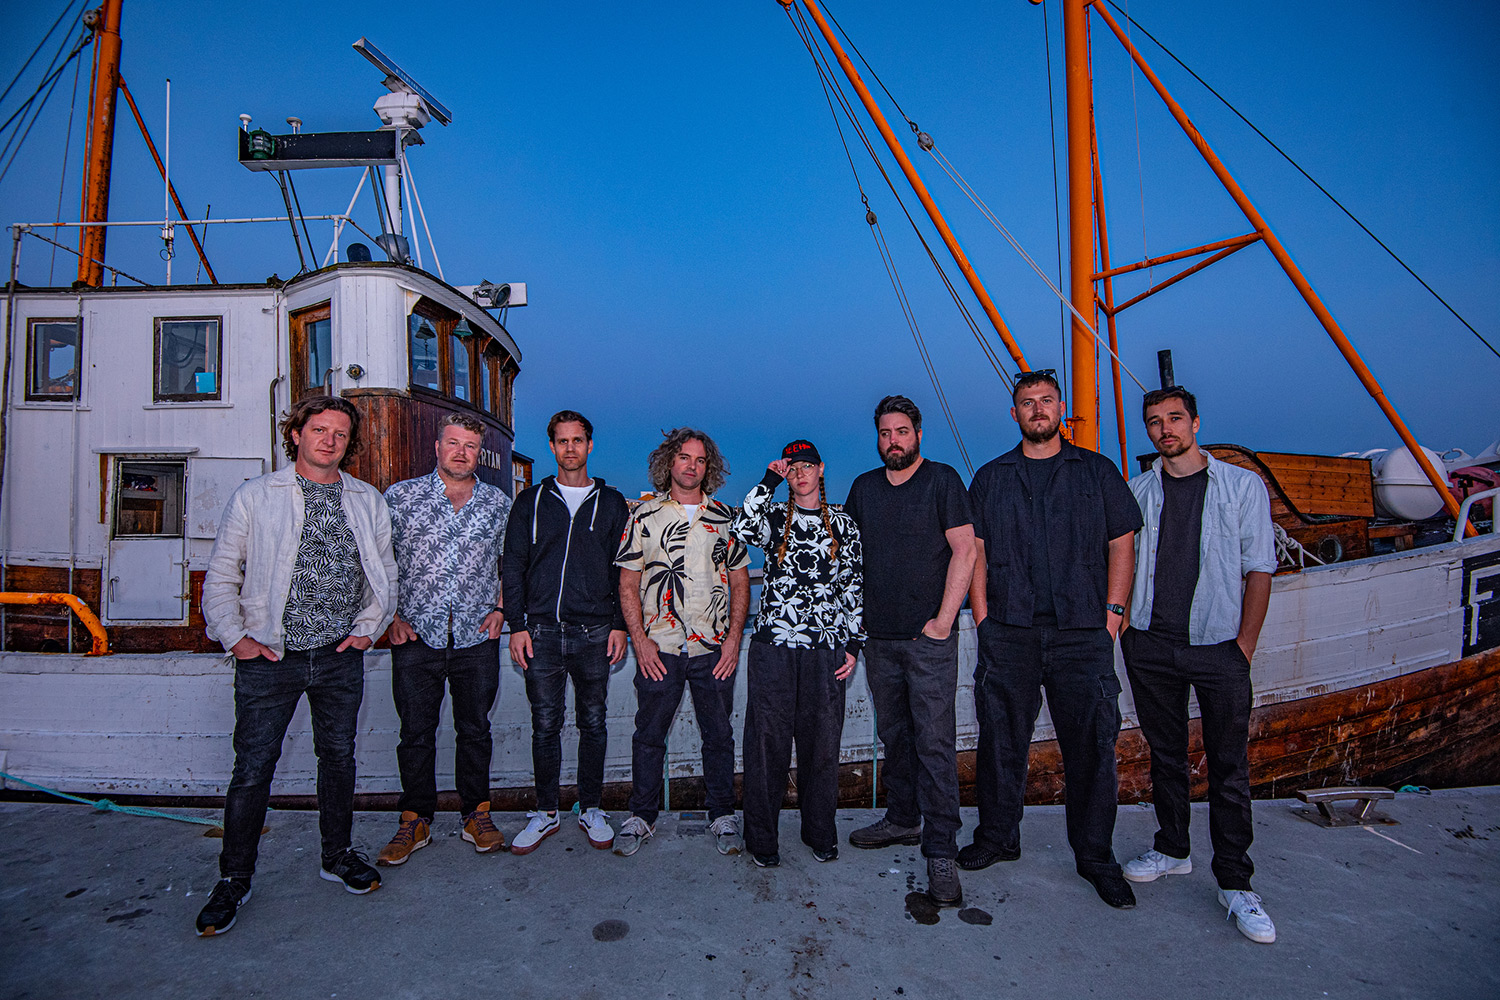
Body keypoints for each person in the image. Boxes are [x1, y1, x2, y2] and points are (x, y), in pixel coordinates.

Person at [196, 395, 397, 936]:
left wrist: (368, 629)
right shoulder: (255, 496)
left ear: (349, 443)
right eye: (319, 430)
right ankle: (234, 878)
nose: (329, 440)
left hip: (338, 656)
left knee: (339, 759)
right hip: (269, 657)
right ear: (296, 435)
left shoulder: (367, 499)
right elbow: (221, 574)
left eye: (339, 433)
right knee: (253, 769)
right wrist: (236, 639)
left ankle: (338, 855)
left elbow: (385, 573)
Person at [961, 370, 1143, 909]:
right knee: (1000, 742)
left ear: (1061, 408)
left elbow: (1122, 543)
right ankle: (998, 837)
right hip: (1009, 631)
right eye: (1027, 402)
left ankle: (1096, 858)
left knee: (1092, 749)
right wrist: (983, 619)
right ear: (1014, 413)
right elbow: (977, 551)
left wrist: (1112, 617)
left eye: (1046, 400)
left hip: (1081, 633)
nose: (1037, 409)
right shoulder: (992, 477)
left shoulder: (1096, 471)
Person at [1119, 386, 1278, 943]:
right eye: (1155, 421)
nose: (1165, 429)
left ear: (1195, 422)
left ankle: (1235, 881)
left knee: (1229, 766)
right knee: (1165, 755)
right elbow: (1122, 560)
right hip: (1151, 644)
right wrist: (1126, 629)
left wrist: (1244, 646)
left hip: (1219, 647)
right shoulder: (1138, 491)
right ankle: (1172, 848)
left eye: (1175, 418)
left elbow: (1260, 568)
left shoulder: (1241, 486)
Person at [844, 396, 975, 907]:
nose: (893, 441)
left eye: (901, 431)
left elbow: (965, 550)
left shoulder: (942, 481)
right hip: (879, 640)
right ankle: (902, 818)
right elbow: (847, 558)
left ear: (918, 433)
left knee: (934, 743)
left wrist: (943, 622)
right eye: (885, 433)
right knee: (894, 735)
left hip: (928, 643)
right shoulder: (864, 488)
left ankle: (940, 850)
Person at [376, 412, 513, 867]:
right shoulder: (400, 497)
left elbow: (511, 565)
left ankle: (477, 815)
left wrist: (500, 609)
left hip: (476, 635)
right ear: (437, 447)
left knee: (475, 730)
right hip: (416, 635)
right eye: (453, 443)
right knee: (415, 733)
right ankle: (415, 819)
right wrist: (390, 617)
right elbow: (378, 561)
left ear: (479, 453)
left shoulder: (497, 503)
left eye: (470, 445)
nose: (461, 452)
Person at [613, 428, 750, 858]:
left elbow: (740, 582)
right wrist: (640, 641)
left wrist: (733, 641)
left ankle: (722, 814)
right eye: (685, 457)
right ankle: (641, 816)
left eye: (700, 460)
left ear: (709, 468)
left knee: (719, 735)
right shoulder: (643, 516)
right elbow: (628, 583)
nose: (692, 466)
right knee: (649, 734)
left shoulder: (725, 518)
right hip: (660, 646)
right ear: (669, 461)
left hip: (713, 648)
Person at [731, 440, 864, 867]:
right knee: (765, 745)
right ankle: (762, 840)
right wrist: (768, 479)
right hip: (773, 647)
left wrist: (853, 644)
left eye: (807, 466)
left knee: (821, 746)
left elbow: (852, 585)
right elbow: (742, 527)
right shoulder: (773, 517)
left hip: (824, 649)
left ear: (821, 470)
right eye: (793, 468)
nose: (800, 473)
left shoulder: (843, 523)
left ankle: (820, 833)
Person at [503, 410, 630, 854]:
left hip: (595, 632)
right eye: (562, 441)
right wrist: (516, 626)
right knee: (545, 724)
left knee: (593, 721)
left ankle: (591, 807)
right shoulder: (530, 502)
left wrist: (619, 625)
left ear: (589, 445)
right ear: (552, 446)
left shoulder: (611, 503)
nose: (570, 448)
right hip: (540, 633)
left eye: (578, 440)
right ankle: (546, 811)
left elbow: (623, 570)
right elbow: (513, 565)